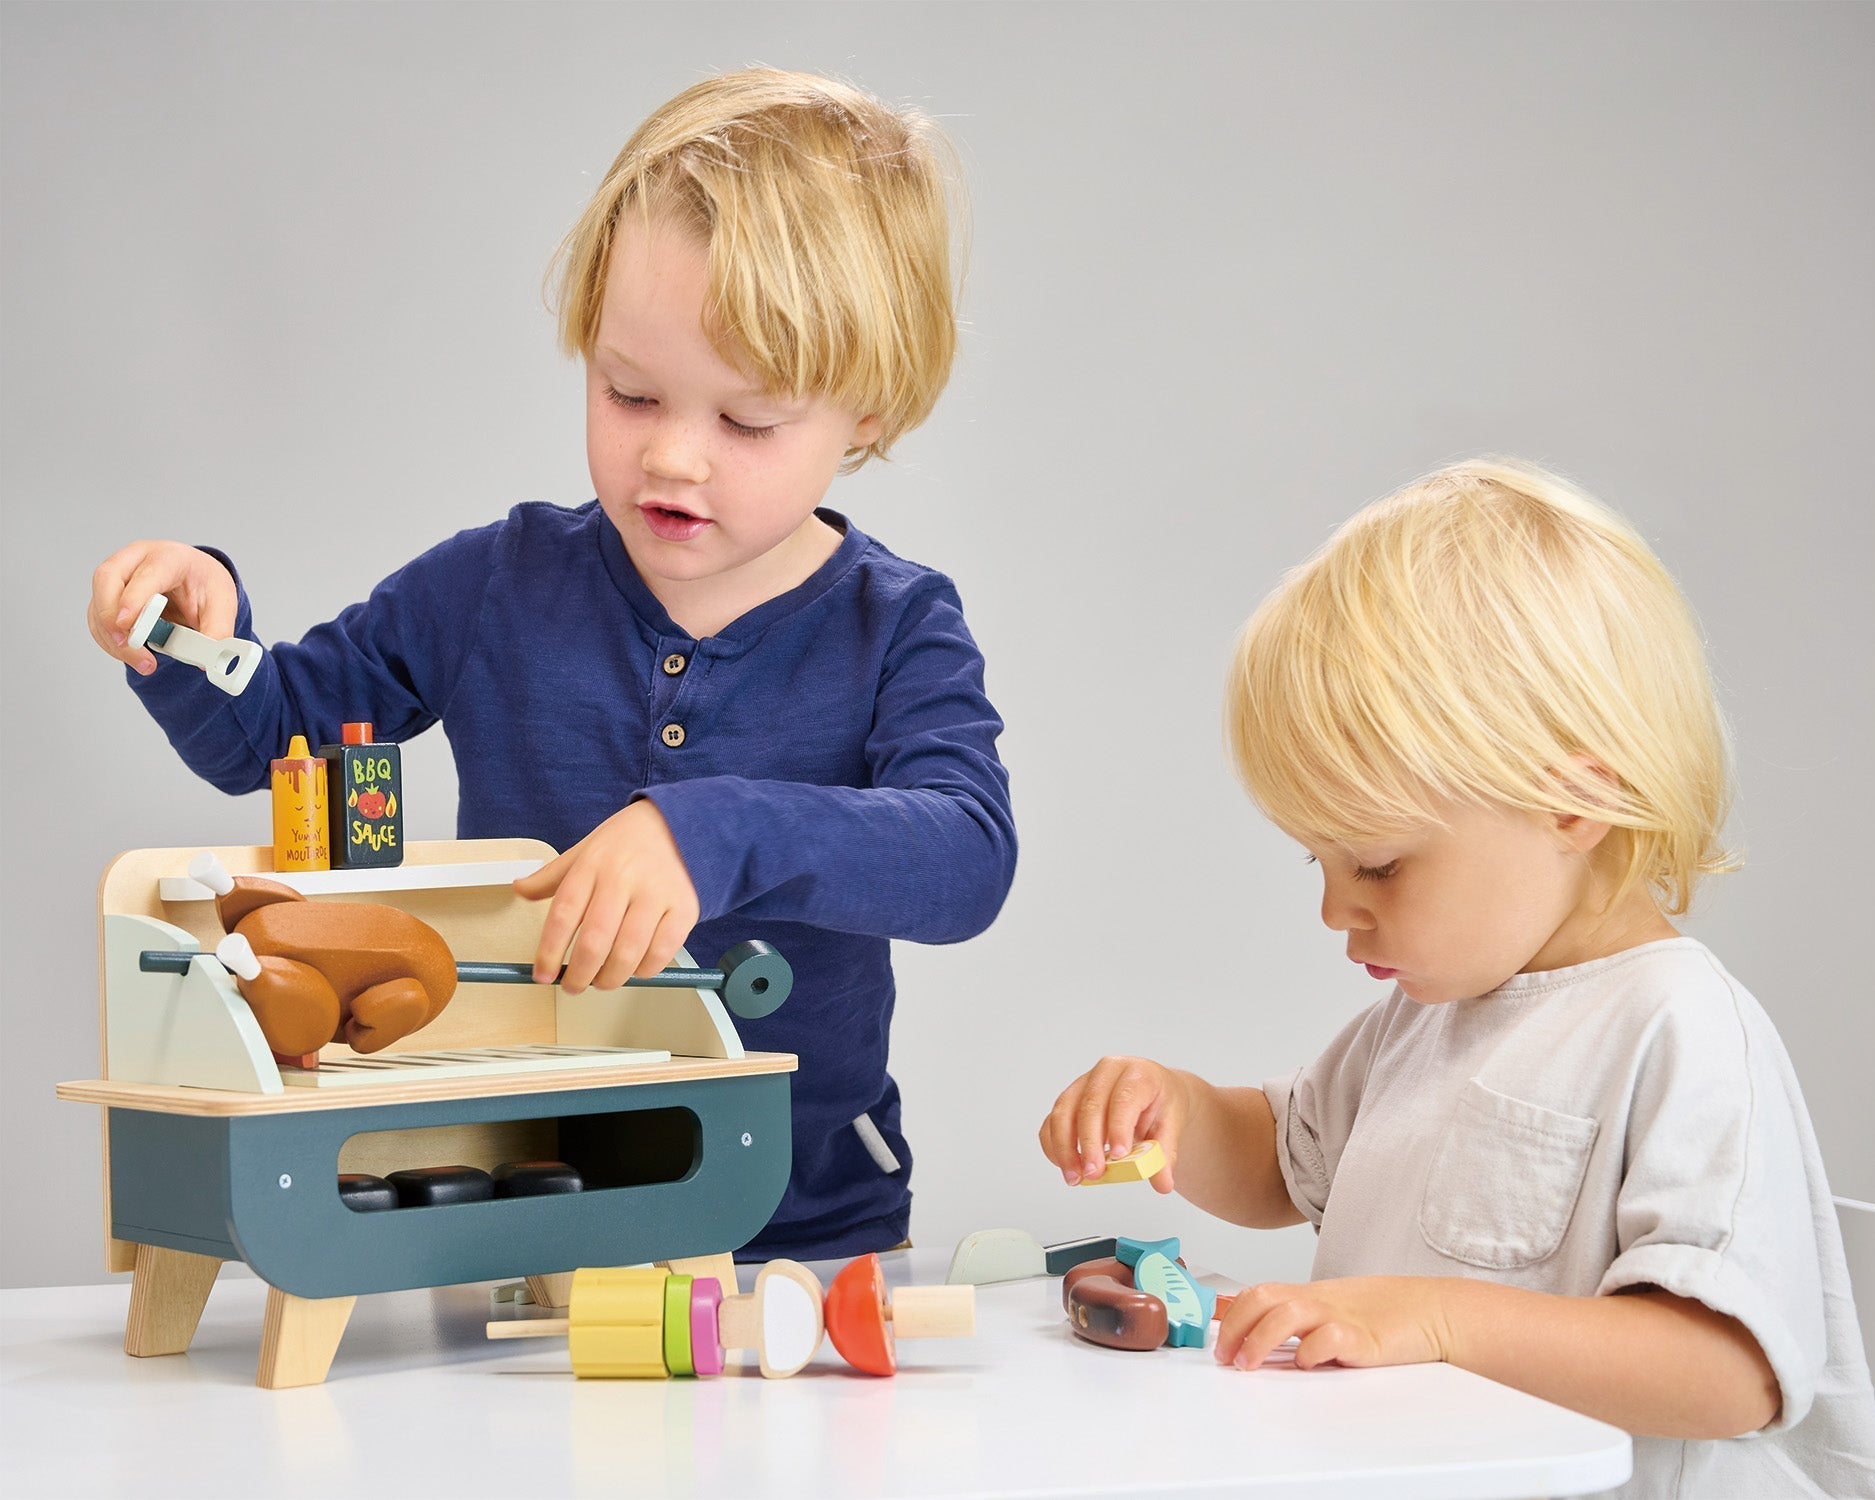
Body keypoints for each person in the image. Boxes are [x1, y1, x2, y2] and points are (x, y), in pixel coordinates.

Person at [86, 68, 1016, 1262]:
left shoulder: (896, 625)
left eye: (747, 422)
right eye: (630, 392)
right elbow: (274, 740)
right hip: (512, 1204)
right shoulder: (494, 585)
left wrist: (711, 829)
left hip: (805, 1220)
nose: (673, 457)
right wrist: (194, 636)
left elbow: (966, 859)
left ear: (871, 412)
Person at [1039, 460, 1874, 1496]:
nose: (1336, 908)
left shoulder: (1678, 1030)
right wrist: (1175, 1110)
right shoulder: (1419, 1023)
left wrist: (1426, 1321)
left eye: (1380, 863)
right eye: (1323, 863)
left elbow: (1730, 1373)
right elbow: (1280, 1163)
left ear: (1572, 803)